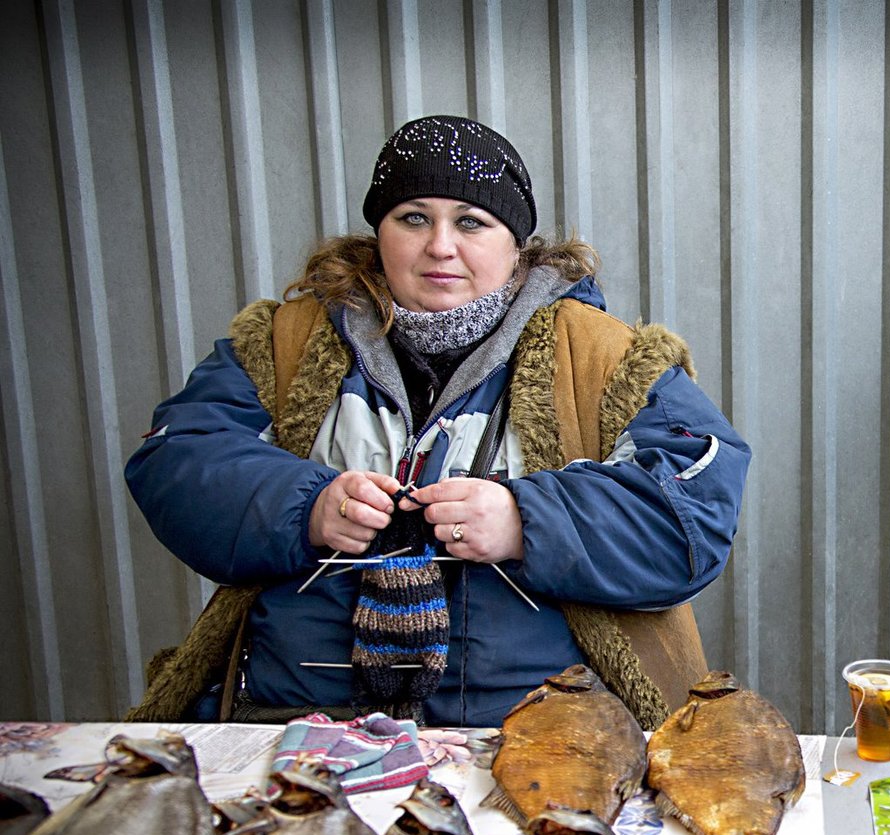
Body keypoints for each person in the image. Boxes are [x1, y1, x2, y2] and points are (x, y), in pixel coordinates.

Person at [126, 115, 749, 729]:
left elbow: (695, 510)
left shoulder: (605, 359)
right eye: (413, 217)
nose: (440, 246)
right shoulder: (281, 344)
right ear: (380, 233)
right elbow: (178, 459)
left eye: (472, 222)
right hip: (299, 722)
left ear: (518, 245)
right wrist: (307, 509)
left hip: (539, 732)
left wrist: (525, 521)